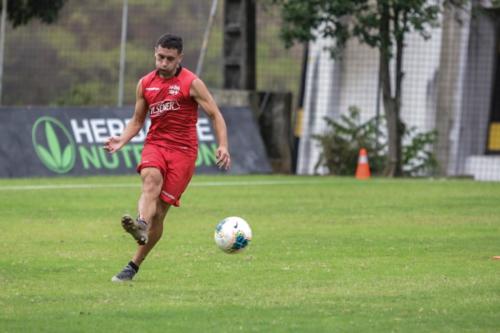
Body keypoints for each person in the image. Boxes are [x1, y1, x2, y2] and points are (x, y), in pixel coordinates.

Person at [104, 33, 231, 282]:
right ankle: (140, 224)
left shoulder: (192, 83)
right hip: (156, 144)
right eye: (160, 57)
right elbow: (138, 120)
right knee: (150, 179)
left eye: (169, 59)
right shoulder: (145, 84)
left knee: (160, 214)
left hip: (183, 153)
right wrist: (122, 139)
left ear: (179, 58)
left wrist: (223, 146)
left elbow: (215, 114)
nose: (163, 63)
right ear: (155, 52)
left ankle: (134, 264)